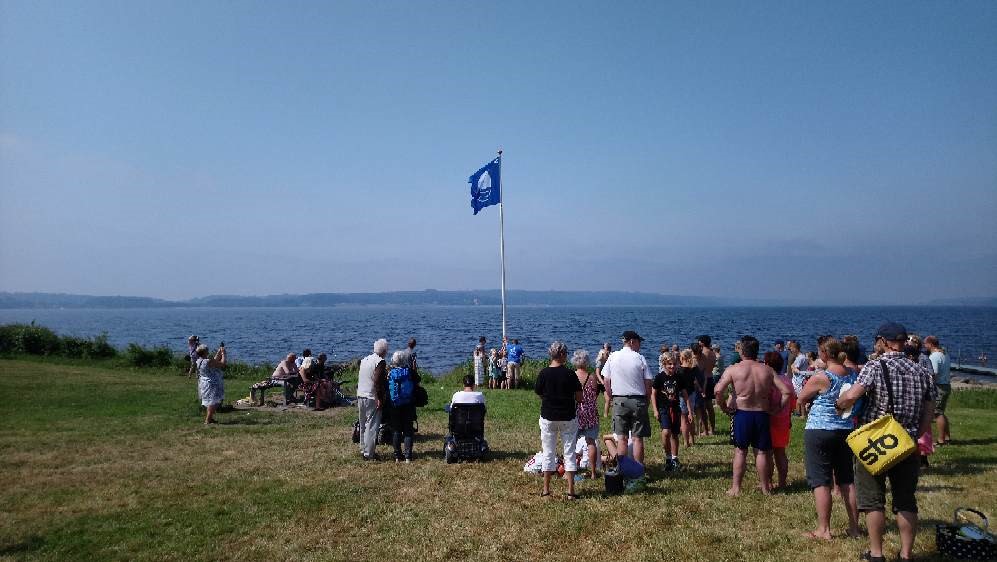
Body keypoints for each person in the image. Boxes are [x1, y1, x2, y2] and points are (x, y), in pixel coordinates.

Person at [836, 322, 937, 562]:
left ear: (883, 341)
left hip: (876, 442)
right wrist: (914, 435)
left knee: (873, 501)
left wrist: (839, 404)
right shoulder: (922, 371)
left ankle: (876, 553)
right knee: (905, 501)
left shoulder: (875, 366)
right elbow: (929, 412)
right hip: (907, 443)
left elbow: (852, 395)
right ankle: (905, 554)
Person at [798, 337, 861, 541]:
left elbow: (801, 397)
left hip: (820, 429)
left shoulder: (822, 377)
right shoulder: (852, 374)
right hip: (845, 429)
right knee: (847, 480)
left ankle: (824, 529)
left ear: (824, 354)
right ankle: (854, 527)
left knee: (821, 480)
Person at [714, 335, 792, 496]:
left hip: (742, 414)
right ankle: (765, 488)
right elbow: (786, 391)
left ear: (741, 351)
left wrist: (723, 407)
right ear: (756, 351)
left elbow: (718, 390)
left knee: (740, 451)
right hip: (761, 414)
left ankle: (736, 488)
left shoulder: (733, 369)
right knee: (762, 452)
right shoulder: (767, 370)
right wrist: (777, 409)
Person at [534, 341, 583, 499]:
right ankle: (570, 491)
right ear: (561, 355)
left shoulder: (543, 373)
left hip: (548, 416)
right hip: (567, 417)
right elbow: (579, 397)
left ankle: (546, 490)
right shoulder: (570, 374)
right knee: (569, 453)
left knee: (548, 452)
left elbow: (539, 393)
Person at [602, 330, 654, 466]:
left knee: (622, 438)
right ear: (632, 341)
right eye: (638, 342)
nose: (639, 345)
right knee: (637, 439)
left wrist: (612, 395)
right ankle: (638, 470)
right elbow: (648, 382)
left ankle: (623, 469)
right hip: (638, 399)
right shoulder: (639, 358)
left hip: (619, 400)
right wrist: (647, 399)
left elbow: (606, 380)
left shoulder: (613, 356)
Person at [763, 351, 796, 489]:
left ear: (768, 365)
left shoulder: (768, 382)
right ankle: (782, 482)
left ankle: (768, 482)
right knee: (780, 452)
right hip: (783, 420)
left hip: (769, 419)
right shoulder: (788, 381)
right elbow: (793, 403)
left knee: (767, 453)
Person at [652, 351, 688, 471]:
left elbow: (684, 393)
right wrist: (655, 410)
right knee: (666, 432)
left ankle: (674, 458)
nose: (672, 366)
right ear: (664, 364)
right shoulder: (659, 377)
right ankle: (667, 458)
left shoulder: (679, 377)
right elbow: (653, 394)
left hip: (676, 408)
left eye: (674, 364)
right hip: (663, 408)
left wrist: (689, 409)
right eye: (669, 364)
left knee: (674, 434)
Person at [357, 339, 389, 461]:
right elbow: (377, 382)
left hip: (361, 394)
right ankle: (369, 454)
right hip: (371, 396)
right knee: (372, 426)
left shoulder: (365, 360)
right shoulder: (380, 362)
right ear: (384, 351)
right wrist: (379, 398)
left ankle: (363, 449)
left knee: (363, 423)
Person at [386, 350, 421, 463]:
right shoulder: (409, 372)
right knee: (408, 430)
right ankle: (408, 456)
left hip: (394, 404)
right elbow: (418, 380)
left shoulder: (391, 373)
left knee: (396, 430)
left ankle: (397, 456)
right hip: (408, 403)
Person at [572, 349, 600, 480]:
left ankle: (571, 470)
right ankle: (594, 472)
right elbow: (595, 394)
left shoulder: (572, 376)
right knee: (591, 442)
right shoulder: (592, 377)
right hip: (590, 412)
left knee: (571, 443)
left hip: (577, 412)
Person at [924, 336, 951, 445]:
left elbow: (933, 373)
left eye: (925, 344)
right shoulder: (944, 353)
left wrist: (928, 385)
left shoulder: (934, 356)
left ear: (930, 344)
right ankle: (947, 437)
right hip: (946, 385)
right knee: (941, 413)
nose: (924, 346)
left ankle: (941, 440)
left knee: (937, 413)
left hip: (939, 386)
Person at [195, 343, 226, 424]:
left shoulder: (199, 361)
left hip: (204, 383)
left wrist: (218, 352)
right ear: (205, 352)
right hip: (212, 383)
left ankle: (210, 418)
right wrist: (223, 354)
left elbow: (214, 361)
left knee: (210, 401)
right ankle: (208, 419)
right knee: (212, 402)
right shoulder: (208, 361)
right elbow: (222, 364)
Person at [676, 349, 701, 447]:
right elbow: (695, 381)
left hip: (682, 395)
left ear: (682, 358)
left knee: (684, 419)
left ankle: (686, 442)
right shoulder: (693, 368)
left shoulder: (679, 370)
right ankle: (692, 439)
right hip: (692, 394)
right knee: (691, 417)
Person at [596, 343, 612, 417]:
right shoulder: (599, 361)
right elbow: (597, 373)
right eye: (606, 353)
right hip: (597, 382)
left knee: (608, 399)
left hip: (604, 382)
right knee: (593, 400)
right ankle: (593, 413)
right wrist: (602, 382)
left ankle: (605, 415)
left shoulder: (609, 361)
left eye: (608, 352)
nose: (607, 354)